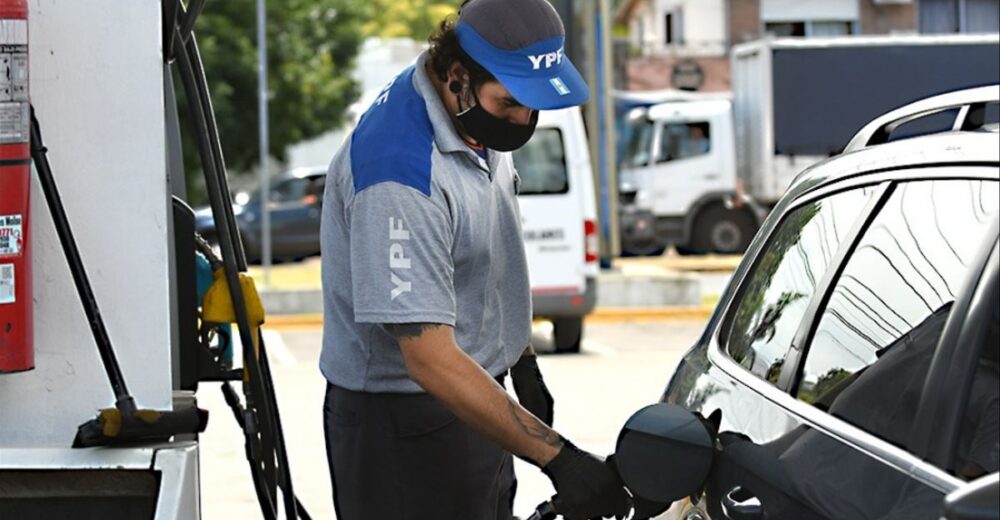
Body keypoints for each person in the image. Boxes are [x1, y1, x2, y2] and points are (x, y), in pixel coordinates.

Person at [318, 1, 630, 519]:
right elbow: (429, 359)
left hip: (476, 395)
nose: (523, 119)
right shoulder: (399, 173)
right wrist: (559, 458)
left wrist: (520, 358)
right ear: (457, 77)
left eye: (532, 105)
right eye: (510, 103)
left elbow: (486, 259)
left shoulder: (473, 116)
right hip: (403, 425)